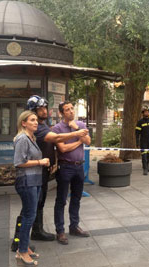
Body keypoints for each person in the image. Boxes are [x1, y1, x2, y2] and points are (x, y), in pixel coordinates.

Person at [11, 96, 89, 251]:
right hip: (31, 175)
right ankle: (18, 240)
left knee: (38, 204)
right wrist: (77, 133)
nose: (44, 111)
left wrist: (52, 162)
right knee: (29, 208)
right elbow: (57, 139)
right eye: (40, 109)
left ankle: (37, 231)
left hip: (41, 173)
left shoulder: (41, 125)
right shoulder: (35, 129)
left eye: (45, 108)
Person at [52, 101, 91, 245]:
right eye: (67, 110)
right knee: (61, 200)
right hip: (65, 167)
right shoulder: (57, 129)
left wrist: (76, 129)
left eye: (72, 109)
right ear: (61, 113)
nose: (71, 112)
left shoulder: (80, 125)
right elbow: (63, 149)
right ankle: (60, 231)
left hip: (79, 167)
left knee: (76, 198)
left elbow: (88, 141)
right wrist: (79, 141)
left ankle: (74, 226)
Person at [13, 110, 49, 266]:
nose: (36, 122)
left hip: (34, 181)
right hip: (26, 182)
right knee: (29, 216)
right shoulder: (22, 139)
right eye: (32, 120)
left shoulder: (31, 138)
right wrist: (41, 162)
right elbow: (19, 162)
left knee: (30, 215)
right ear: (24, 123)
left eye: (36, 120)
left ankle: (24, 247)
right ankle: (21, 251)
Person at [136, 106, 149, 175]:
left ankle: (147, 165)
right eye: (145, 112)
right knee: (144, 155)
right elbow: (137, 133)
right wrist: (137, 142)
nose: (146, 113)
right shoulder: (140, 122)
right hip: (143, 141)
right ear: (143, 113)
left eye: (147, 112)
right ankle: (145, 168)